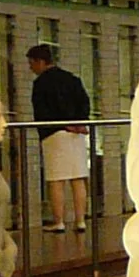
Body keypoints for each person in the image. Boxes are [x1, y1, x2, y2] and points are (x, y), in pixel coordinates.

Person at [27, 43, 93, 233]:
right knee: (77, 178)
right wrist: (80, 123)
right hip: (77, 133)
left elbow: (42, 112)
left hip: (54, 134)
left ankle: (59, 221)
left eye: (32, 63)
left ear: (40, 61)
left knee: (57, 179)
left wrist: (63, 124)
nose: (31, 68)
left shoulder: (41, 83)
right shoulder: (72, 79)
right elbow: (84, 102)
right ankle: (81, 220)